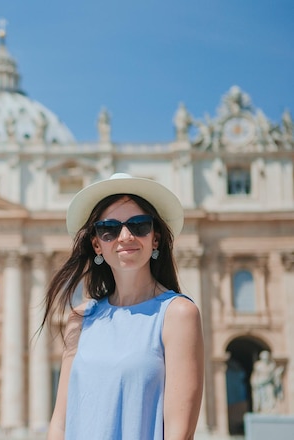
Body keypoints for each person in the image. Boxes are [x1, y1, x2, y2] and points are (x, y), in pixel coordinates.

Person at [42, 172, 204, 440]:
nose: (125, 236)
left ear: (155, 238)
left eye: (139, 225)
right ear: (97, 244)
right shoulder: (80, 318)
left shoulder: (178, 314)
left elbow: (179, 433)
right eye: (110, 229)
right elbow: (60, 423)